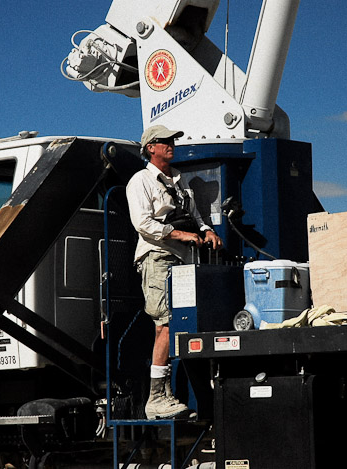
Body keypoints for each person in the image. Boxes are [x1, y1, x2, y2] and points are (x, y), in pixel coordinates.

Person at [126, 125, 223, 419]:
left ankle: (179, 395)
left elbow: (194, 216)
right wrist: (181, 235)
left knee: (184, 323)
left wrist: (206, 231)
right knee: (165, 325)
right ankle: (156, 399)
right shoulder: (140, 181)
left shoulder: (180, 182)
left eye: (172, 141)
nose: (171, 145)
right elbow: (143, 224)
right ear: (150, 148)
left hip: (184, 260)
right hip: (157, 257)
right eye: (165, 141)